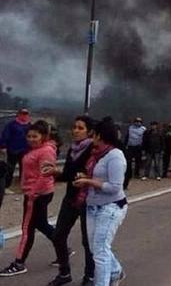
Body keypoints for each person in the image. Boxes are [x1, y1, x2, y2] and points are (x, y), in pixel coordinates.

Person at [73, 118, 128, 285]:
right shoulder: (97, 154)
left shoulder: (115, 156)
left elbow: (115, 187)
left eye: (94, 134)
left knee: (100, 252)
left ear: (100, 136)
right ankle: (116, 271)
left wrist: (88, 182)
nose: (92, 137)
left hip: (110, 207)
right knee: (95, 248)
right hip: (92, 206)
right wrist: (86, 178)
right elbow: (98, 177)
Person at [0, 120, 57, 277]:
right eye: (29, 136)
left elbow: (45, 175)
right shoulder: (37, 149)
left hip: (37, 194)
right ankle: (62, 248)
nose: (31, 139)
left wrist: (33, 192)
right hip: (37, 192)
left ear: (43, 136)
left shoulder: (45, 151)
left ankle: (19, 262)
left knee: (27, 228)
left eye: (35, 136)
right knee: (42, 224)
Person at [45, 116, 96, 286]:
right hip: (71, 197)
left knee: (87, 240)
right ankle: (64, 273)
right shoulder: (73, 149)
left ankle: (89, 276)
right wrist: (56, 172)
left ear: (89, 132)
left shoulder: (94, 150)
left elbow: (99, 175)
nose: (75, 130)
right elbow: (68, 175)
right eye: (74, 127)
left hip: (88, 199)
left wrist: (86, 177)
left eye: (80, 128)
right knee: (58, 235)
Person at [0, 108, 31, 190]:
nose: (24, 115)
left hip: (25, 150)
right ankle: (6, 185)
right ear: (19, 114)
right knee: (10, 168)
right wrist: (3, 146)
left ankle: (23, 184)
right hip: (13, 149)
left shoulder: (29, 125)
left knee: (24, 168)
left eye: (26, 113)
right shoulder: (11, 124)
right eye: (23, 113)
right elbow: (5, 135)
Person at [124, 117, 146, 189]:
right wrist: (125, 145)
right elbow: (127, 137)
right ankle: (129, 174)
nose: (138, 123)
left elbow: (145, 138)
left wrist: (144, 148)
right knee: (129, 161)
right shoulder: (130, 128)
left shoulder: (143, 129)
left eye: (139, 122)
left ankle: (137, 173)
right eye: (136, 121)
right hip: (131, 146)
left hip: (138, 147)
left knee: (138, 161)